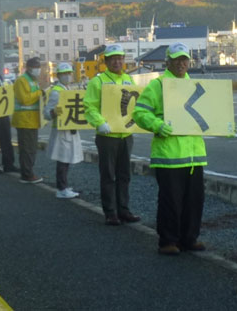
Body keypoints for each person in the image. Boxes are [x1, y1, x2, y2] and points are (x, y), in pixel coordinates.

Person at [133, 42, 207, 255]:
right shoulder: (158, 86)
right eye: (176, 59)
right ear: (168, 62)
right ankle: (168, 241)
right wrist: (157, 125)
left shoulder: (195, 85)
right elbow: (140, 113)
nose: (181, 63)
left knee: (194, 200)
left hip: (194, 155)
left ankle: (189, 238)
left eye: (184, 59)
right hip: (169, 154)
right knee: (171, 201)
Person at [84, 44, 141, 226]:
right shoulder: (98, 81)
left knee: (124, 174)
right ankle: (110, 212)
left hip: (125, 135)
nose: (117, 61)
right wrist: (99, 123)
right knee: (108, 175)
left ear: (124, 60)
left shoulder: (129, 80)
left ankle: (124, 210)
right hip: (107, 135)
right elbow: (89, 106)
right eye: (113, 58)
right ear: (106, 61)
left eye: (120, 58)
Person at [44, 62, 83, 199]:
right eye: (64, 74)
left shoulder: (67, 89)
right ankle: (61, 188)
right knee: (62, 160)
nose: (67, 76)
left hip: (69, 129)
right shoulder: (56, 92)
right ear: (58, 75)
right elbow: (46, 113)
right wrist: (54, 112)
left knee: (66, 160)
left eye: (69, 73)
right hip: (61, 131)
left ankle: (64, 186)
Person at [12, 57, 44, 184]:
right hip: (24, 119)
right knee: (26, 148)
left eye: (38, 66)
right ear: (29, 67)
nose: (38, 69)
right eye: (35, 67)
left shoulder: (33, 80)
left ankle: (28, 172)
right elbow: (24, 99)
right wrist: (39, 94)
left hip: (32, 119)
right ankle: (26, 174)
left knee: (31, 148)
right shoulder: (22, 80)